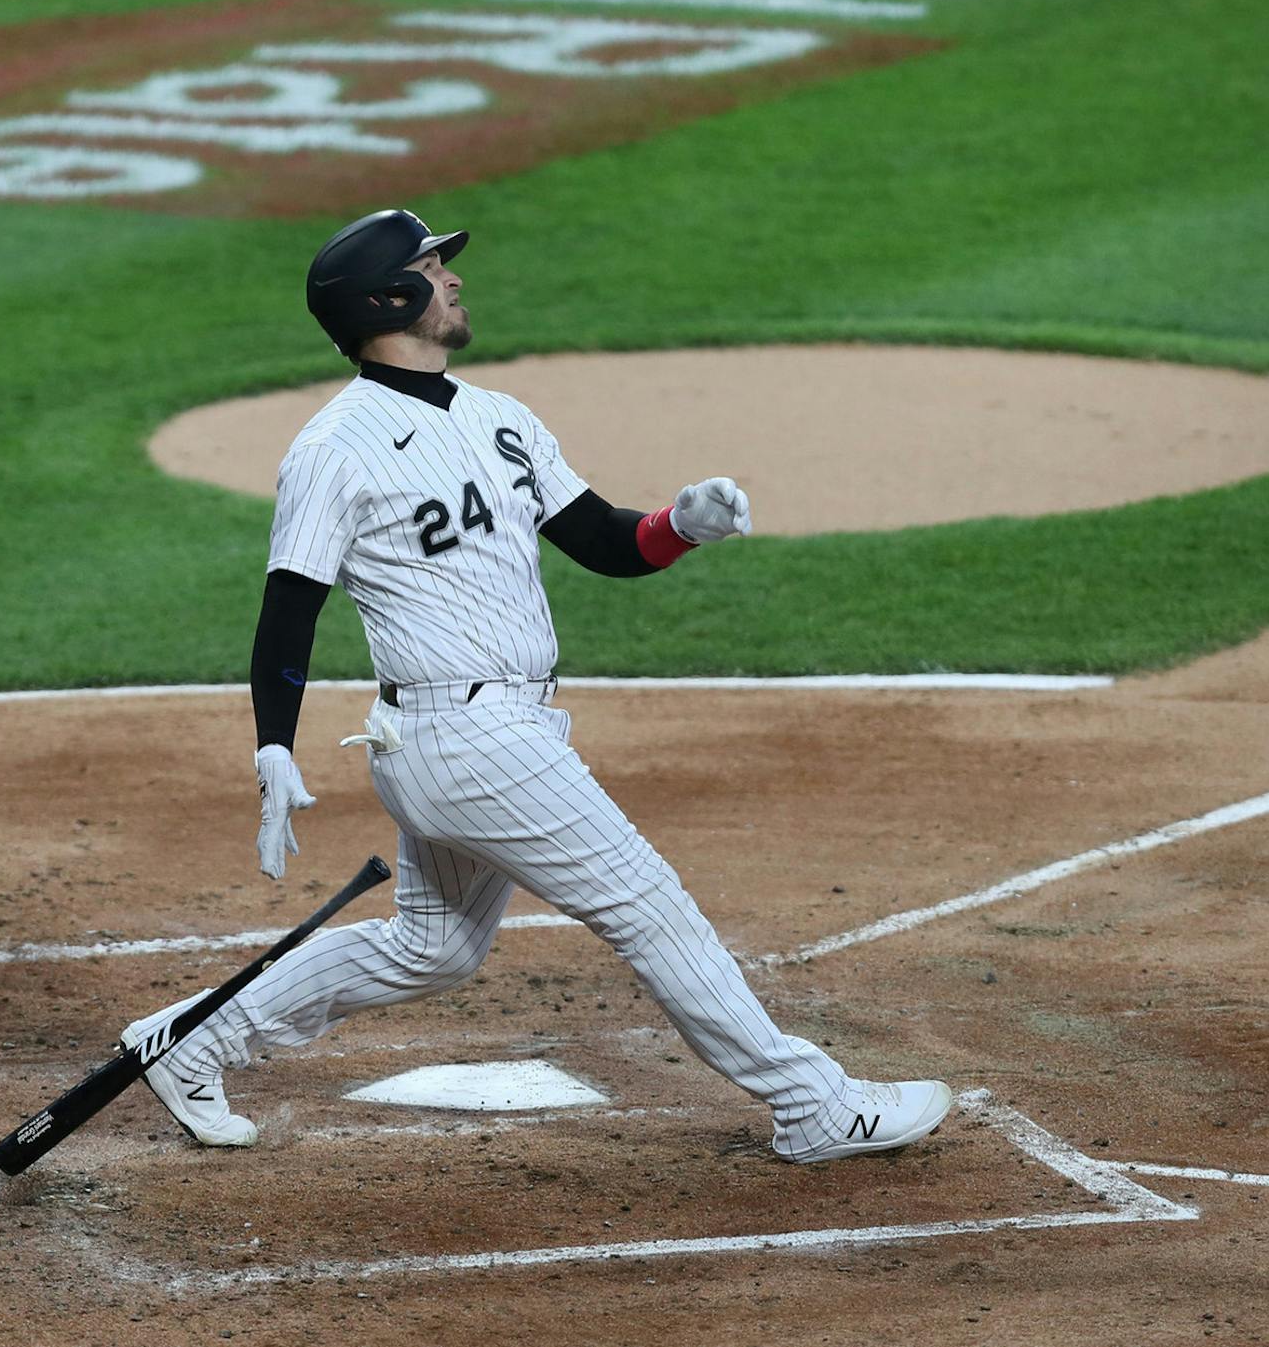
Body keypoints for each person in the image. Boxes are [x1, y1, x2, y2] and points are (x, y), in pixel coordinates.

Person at [122, 210, 951, 1164]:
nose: (455, 279)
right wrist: (274, 742)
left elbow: (603, 541)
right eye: (435, 267)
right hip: (466, 743)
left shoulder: (499, 418)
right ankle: (810, 1101)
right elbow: (288, 609)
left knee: (431, 949)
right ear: (389, 298)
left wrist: (682, 522)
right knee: (646, 901)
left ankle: (192, 1042)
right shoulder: (335, 447)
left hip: (491, 735)